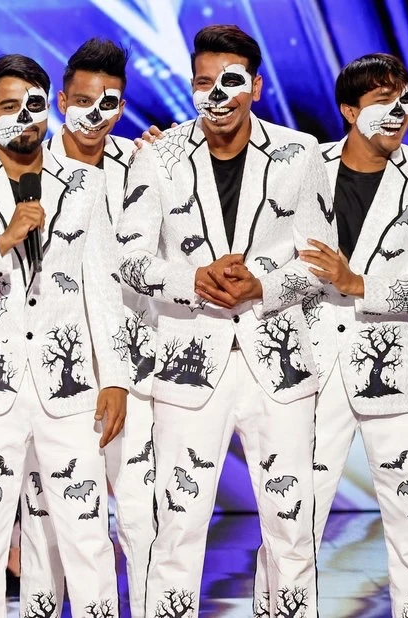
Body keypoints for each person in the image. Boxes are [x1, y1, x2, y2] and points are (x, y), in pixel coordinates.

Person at [118, 25, 336, 617]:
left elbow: (322, 261)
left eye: (230, 80)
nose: (215, 94)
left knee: (292, 528)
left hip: (280, 364)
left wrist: (264, 284)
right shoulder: (157, 156)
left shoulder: (300, 153)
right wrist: (193, 279)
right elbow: (130, 260)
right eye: (203, 82)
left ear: (256, 87)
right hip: (187, 361)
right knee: (178, 527)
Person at [252, 52, 408, 618]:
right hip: (308, 373)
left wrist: (358, 283)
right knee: (291, 520)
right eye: (382, 101)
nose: (398, 112)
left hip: (394, 376)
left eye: (404, 100)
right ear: (349, 110)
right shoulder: (303, 167)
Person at [0, 53, 129, 618]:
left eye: (33, 104)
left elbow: (102, 287)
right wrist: (0, 241)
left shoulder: (85, 183)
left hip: (71, 386)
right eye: (9, 106)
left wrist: (114, 378)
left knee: (87, 532)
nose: (24, 116)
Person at [18, 38, 156, 618]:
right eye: (82, 100)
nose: (94, 113)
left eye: (109, 102)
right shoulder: (27, 168)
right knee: (47, 524)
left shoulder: (148, 164)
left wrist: (119, 373)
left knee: (143, 517)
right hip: (53, 371)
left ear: (122, 106)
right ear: (60, 101)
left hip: (136, 367)